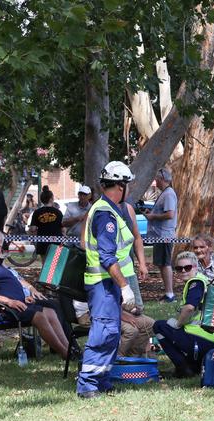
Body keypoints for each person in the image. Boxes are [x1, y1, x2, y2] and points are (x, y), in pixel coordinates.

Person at [76, 161, 137, 399]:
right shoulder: (105, 214)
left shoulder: (109, 210)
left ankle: (102, 380)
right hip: (103, 284)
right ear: (121, 186)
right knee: (103, 332)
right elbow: (106, 255)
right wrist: (125, 286)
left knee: (111, 333)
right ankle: (88, 384)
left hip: (107, 284)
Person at [0, 229, 69, 357]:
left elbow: (7, 286)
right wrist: (9, 301)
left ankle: (69, 349)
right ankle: (65, 354)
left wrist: (23, 296)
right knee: (39, 316)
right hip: (2, 309)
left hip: (18, 304)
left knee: (50, 311)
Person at [153, 252, 214, 377]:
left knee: (159, 326)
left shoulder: (195, 283)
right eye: (179, 268)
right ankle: (194, 365)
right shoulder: (204, 280)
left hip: (202, 338)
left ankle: (184, 368)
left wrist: (178, 323)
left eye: (187, 267)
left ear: (195, 267)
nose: (183, 271)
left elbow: (189, 308)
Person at [144, 167, 177, 302]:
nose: (155, 181)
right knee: (161, 264)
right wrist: (151, 213)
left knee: (165, 263)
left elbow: (170, 214)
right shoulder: (165, 193)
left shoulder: (169, 194)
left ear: (163, 179)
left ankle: (170, 294)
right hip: (159, 236)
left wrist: (153, 217)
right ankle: (167, 292)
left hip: (164, 235)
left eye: (157, 179)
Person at [120, 200, 148, 314]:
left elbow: (137, 238)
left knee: (137, 308)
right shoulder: (101, 209)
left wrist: (142, 264)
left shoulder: (128, 208)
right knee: (123, 310)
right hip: (109, 273)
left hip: (128, 270)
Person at [29, 186, 63, 261]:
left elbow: (33, 228)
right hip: (56, 241)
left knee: (45, 265)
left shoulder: (37, 212)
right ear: (51, 199)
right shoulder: (58, 212)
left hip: (42, 241)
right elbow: (63, 228)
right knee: (55, 264)